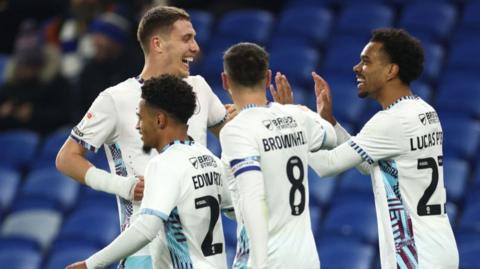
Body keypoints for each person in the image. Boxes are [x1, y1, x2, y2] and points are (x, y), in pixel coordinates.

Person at [56, 6, 228, 268]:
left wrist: (255, 113)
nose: (195, 47)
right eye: (186, 39)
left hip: (197, 249)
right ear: (158, 44)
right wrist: (122, 186)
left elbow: (235, 137)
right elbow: (66, 158)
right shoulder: (115, 98)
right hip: (143, 248)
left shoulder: (199, 88)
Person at [309, 28, 459, 268]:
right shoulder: (426, 111)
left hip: (415, 255)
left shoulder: (390, 121)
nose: (356, 68)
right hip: (441, 248)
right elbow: (369, 165)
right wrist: (331, 123)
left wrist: (294, 133)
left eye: (366, 61)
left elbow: (326, 166)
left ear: (391, 70)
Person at [66, 75, 229, 269]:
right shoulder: (212, 160)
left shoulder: (163, 164)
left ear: (159, 120)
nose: (137, 125)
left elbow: (145, 229)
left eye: (140, 117)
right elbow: (238, 212)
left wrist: (90, 264)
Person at [219, 42, 337, 269]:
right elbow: (331, 136)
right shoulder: (297, 117)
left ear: (225, 80)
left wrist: (259, 265)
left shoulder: (236, 129)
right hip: (306, 260)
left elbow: (253, 198)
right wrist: (303, 111)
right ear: (267, 77)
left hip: (266, 260)